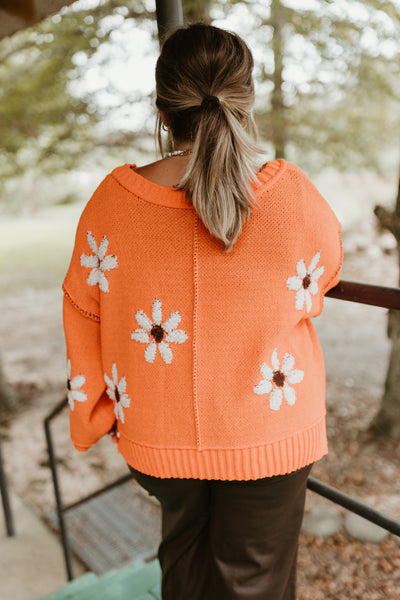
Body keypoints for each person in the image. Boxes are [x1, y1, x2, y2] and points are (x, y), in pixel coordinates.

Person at [62, 23, 343, 600]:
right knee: (257, 583)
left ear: (163, 111)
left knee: (183, 575)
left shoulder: (113, 203)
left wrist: (94, 414)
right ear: (246, 103)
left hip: (156, 434)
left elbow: (82, 309)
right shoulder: (291, 196)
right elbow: (321, 280)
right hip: (271, 432)